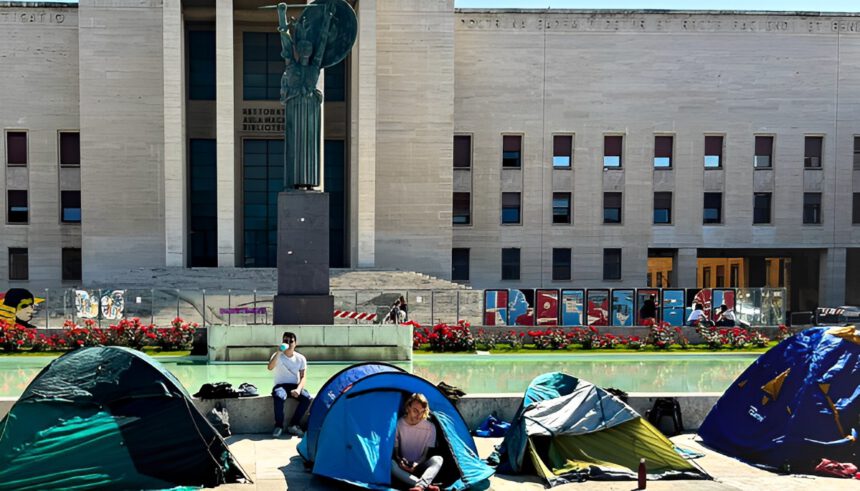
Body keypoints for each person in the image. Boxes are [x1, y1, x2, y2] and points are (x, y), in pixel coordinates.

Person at [392, 393, 443, 491]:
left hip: (420, 466)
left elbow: (425, 454)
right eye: (415, 411)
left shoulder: (430, 427)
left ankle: (420, 486)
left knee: (438, 459)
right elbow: (396, 453)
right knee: (391, 464)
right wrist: (400, 461)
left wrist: (417, 464)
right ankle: (424, 486)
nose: (419, 415)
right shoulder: (398, 424)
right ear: (408, 408)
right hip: (403, 466)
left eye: (422, 411)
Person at [267, 331, 311, 438]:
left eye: (291, 341)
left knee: (307, 398)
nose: (289, 343)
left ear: (295, 343)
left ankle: (294, 425)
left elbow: (303, 377)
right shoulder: (277, 356)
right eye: (286, 341)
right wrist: (278, 352)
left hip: (294, 386)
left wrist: (299, 389)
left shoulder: (300, 358)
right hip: (280, 386)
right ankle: (279, 426)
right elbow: (270, 367)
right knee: (279, 396)